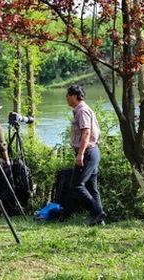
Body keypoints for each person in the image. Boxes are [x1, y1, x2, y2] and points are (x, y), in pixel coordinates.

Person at [65, 85, 106, 226]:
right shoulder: (80, 110)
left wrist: (80, 154)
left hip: (88, 152)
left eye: (68, 95)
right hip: (90, 151)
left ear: (75, 96)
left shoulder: (82, 110)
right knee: (92, 187)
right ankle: (98, 219)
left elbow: (86, 133)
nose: (66, 98)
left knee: (77, 185)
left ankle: (97, 212)